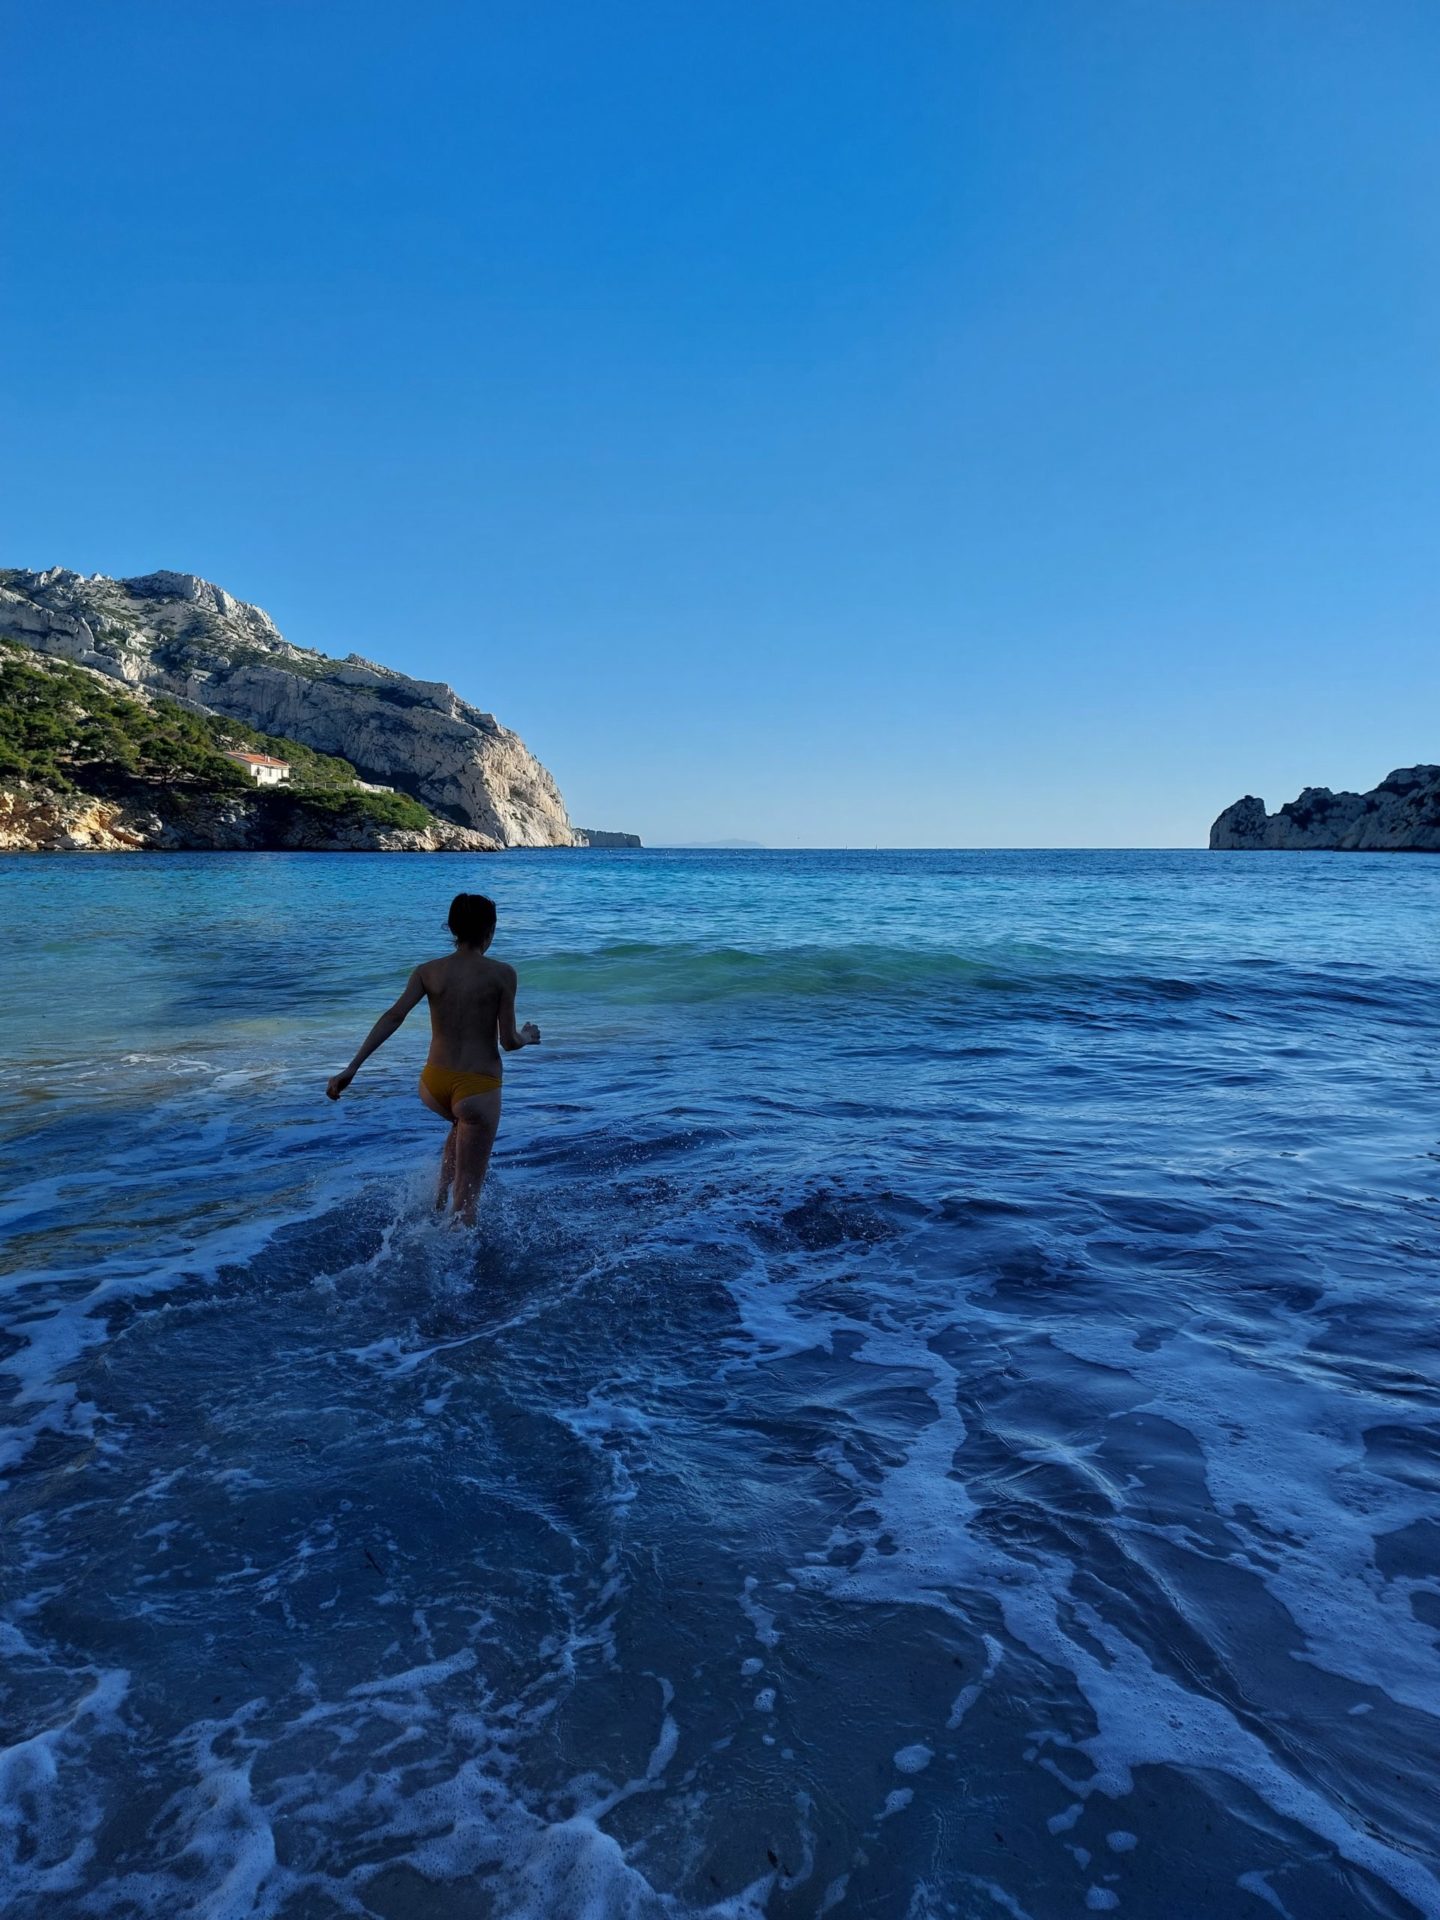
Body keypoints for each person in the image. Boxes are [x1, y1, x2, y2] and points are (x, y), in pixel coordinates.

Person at [326, 892, 540, 1223]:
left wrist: (352, 1067)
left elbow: (393, 1016)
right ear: (490, 931)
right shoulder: (502, 974)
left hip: (432, 1085)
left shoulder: (428, 971)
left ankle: (437, 1203)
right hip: (476, 1087)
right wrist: (528, 1035)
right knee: (469, 1200)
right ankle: (455, 1266)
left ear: (452, 928)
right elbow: (508, 1041)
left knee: (460, 1126)